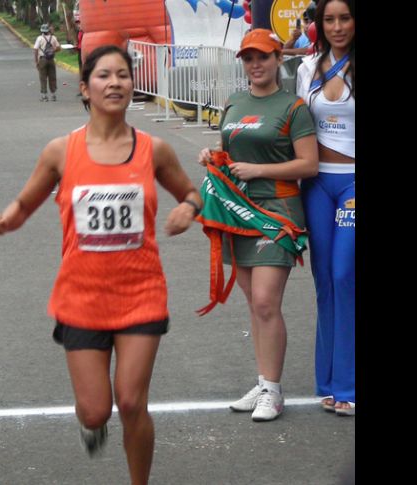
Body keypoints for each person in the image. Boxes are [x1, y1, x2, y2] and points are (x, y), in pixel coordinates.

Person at [0, 45, 201, 485]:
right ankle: (91, 422)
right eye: (104, 75)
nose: (115, 82)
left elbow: (191, 193)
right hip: (81, 297)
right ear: (85, 88)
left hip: (141, 293)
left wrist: (188, 211)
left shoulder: (153, 149)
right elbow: (26, 203)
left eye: (123, 74)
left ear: (132, 84)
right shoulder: (61, 152)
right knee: (97, 408)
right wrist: (6, 219)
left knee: (133, 402)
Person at [198, 29, 318, 422]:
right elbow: (232, 153)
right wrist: (212, 156)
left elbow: (309, 164)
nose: (256, 65)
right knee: (255, 304)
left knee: (267, 301)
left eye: (263, 57)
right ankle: (265, 382)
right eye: (249, 58)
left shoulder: (294, 107)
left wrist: (259, 169)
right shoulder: (234, 102)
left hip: (278, 211)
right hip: (239, 210)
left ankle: (275, 391)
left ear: (278, 58)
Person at [296, 0, 355, 417]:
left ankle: (348, 383)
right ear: (320, 23)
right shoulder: (305, 69)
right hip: (316, 184)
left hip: (353, 183)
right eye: (329, 19)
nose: (337, 26)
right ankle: (328, 381)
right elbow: (297, 128)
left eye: (345, 18)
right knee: (323, 282)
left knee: (344, 274)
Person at [33, 24, 61, 102]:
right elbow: (59, 48)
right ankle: (53, 95)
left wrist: (36, 61)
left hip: (42, 59)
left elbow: (35, 50)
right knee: (52, 77)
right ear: (48, 30)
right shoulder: (53, 38)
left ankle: (44, 96)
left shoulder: (39, 38)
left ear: (42, 30)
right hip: (51, 60)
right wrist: (52, 51)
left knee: (43, 78)